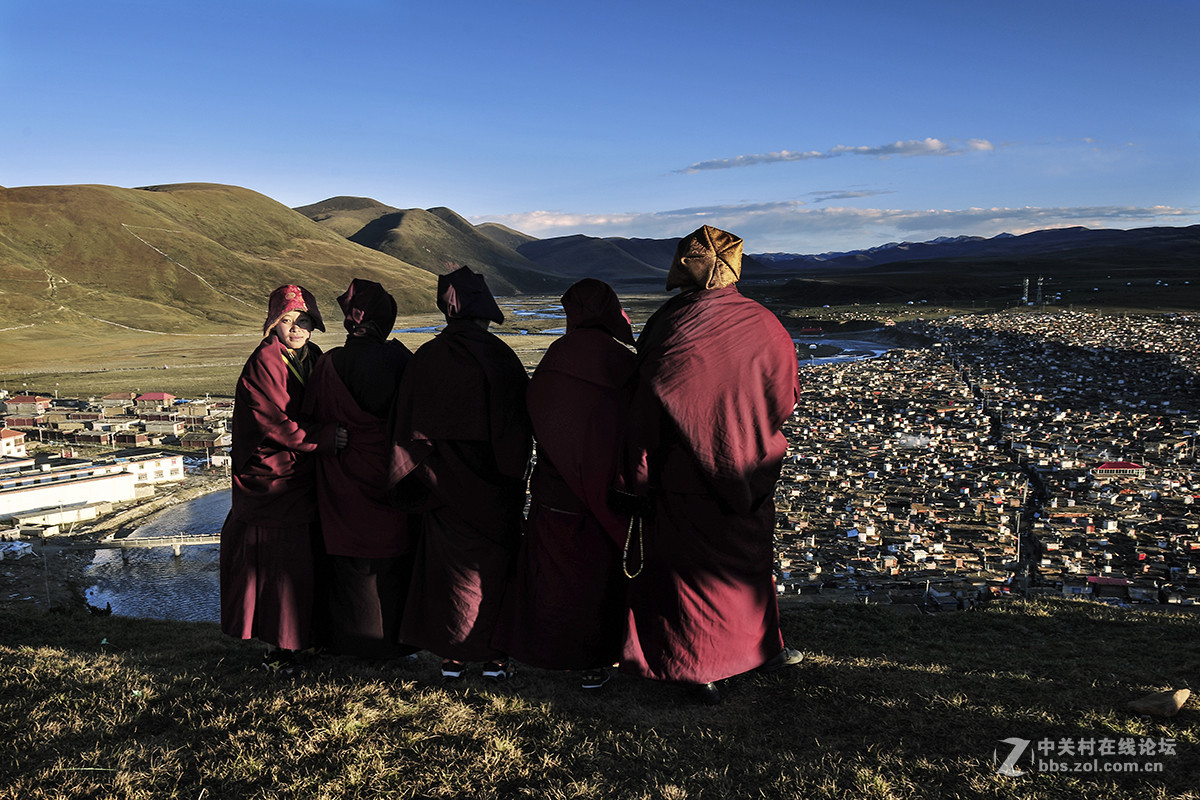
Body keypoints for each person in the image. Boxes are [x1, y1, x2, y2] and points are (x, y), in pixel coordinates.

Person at [617, 225, 803, 704]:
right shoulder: (764, 322)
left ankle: (700, 668)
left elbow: (647, 405)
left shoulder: (671, 325)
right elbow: (786, 396)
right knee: (748, 566)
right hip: (750, 464)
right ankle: (762, 649)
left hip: (684, 471)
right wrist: (749, 431)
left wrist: (637, 473)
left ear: (685, 266)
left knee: (692, 576)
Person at [388, 266, 532, 681]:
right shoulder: (500, 356)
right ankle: (496, 658)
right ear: (484, 309)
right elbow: (519, 424)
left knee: (450, 573)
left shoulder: (428, 357)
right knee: (493, 571)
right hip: (495, 485)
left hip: (442, 486)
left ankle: (452, 657)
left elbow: (406, 428)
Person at [492, 279, 637, 690]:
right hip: (610, 492)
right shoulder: (622, 362)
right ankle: (599, 659)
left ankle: (554, 653)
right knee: (600, 578)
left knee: (558, 579)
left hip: (557, 491)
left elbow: (535, 413)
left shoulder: (555, 358)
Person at [220, 284, 345, 672]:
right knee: (279, 566)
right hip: (272, 477)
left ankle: (308, 637)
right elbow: (273, 422)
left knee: (306, 563)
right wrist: (324, 439)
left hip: (304, 474)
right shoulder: (264, 361)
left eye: (303, 320)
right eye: (287, 320)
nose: (295, 328)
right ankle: (280, 647)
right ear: (273, 324)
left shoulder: (315, 356)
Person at [303, 278, 417, 659]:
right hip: (389, 475)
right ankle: (394, 645)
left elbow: (311, 415)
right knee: (389, 563)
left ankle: (345, 642)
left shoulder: (328, 364)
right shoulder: (400, 361)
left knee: (349, 565)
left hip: (342, 479)